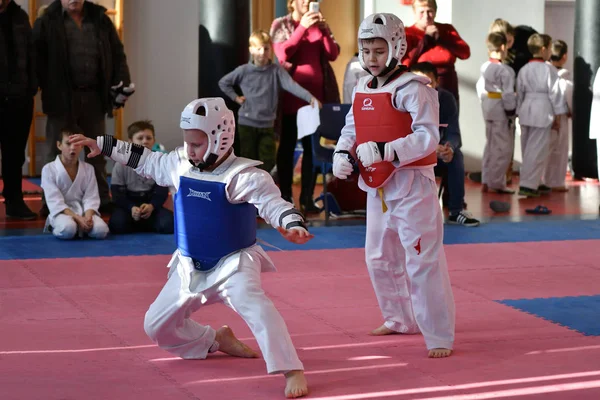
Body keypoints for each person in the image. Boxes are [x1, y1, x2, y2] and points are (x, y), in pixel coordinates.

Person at [69, 97, 312, 398]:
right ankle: (213, 340)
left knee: (258, 309)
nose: (190, 150)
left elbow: (273, 204)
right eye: (187, 142)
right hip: (188, 266)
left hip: (233, 264)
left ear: (220, 139)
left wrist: (291, 223)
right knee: (155, 325)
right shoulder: (179, 164)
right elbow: (144, 159)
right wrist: (104, 145)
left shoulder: (244, 176)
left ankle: (291, 368)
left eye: (197, 144)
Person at [333, 13, 455, 358]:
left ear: (396, 47)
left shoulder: (413, 88)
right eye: (366, 51)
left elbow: (428, 137)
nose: (371, 58)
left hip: (412, 184)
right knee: (378, 256)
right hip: (377, 186)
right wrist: (342, 153)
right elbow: (351, 128)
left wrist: (389, 150)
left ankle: (439, 333)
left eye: (378, 50)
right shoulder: (361, 86)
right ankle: (400, 318)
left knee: (422, 260)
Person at [33, 0, 134, 212]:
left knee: (96, 149)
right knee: (55, 150)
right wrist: (41, 87)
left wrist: (122, 82)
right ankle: (49, 203)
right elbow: (35, 58)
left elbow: (117, 54)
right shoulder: (47, 21)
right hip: (60, 97)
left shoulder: (101, 19)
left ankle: (102, 200)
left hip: (94, 96)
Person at [270, 0, 340, 213]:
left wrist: (324, 29)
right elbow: (283, 53)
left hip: (315, 101)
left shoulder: (320, 24)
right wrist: (302, 28)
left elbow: (333, 53)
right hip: (291, 99)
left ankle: (307, 199)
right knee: (287, 147)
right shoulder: (280, 24)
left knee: (312, 150)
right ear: (292, 3)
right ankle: (285, 197)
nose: (308, 2)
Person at [218, 30, 319, 174]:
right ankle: (248, 193)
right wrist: (236, 97)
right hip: (247, 124)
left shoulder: (275, 71)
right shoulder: (243, 71)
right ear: (251, 50)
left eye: (266, 49)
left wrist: (310, 98)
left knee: (268, 161)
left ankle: (262, 189)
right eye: (258, 48)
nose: (262, 52)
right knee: (247, 162)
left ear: (270, 49)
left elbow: (292, 85)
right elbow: (223, 83)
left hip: (267, 125)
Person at [410, 62, 480, 226]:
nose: (422, 87)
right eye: (416, 82)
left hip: (437, 156)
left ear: (436, 83)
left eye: (427, 83)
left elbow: (454, 133)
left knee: (455, 156)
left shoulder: (446, 99)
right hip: (410, 155)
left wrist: (449, 148)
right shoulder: (401, 100)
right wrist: (428, 148)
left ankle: (456, 211)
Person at [516, 33, 567, 197]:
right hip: (542, 111)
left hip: (526, 109)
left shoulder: (524, 69)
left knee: (527, 148)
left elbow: (520, 92)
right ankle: (528, 185)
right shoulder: (548, 69)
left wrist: (519, 111)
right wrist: (558, 115)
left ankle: (535, 181)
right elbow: (555, 93)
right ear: (543, 49)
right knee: (537, 150)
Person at [0, 0, 38, 220]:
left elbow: (31, 54)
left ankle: (14, 202)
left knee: (15, 156)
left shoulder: (20, 17)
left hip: (19, 99)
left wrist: (31, 87)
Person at [41, 125, 109, 240]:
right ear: (59, 145)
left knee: (101, 230)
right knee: (68, 229)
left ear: (82, 146)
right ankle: (57, 226)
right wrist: (77, 218)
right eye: (68, 143)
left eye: (77, 144)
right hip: (61, 213)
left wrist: (88, 217)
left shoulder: (88, 169)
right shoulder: (48, 169)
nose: (73, 148)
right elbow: (55, 201)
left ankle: (81, 227)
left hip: (83, 211)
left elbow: (91, 197)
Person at [109, 120, 174, 234]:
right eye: (140, 138)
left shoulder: (160, 162)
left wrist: (152, 206)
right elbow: (117, 194)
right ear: (130, 141)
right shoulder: (120, 164)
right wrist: (131, 207)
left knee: (169, 224)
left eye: (148, 138)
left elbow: (162, 190)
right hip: (129, 206)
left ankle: (143, 223)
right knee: (116, 224)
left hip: (150, 205)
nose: (145, 141)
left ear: (154, 140)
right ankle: (141, 224)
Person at [402, 0, 470, 103]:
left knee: (449, 118)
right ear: (414, 13)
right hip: (422, 90)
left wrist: (441, 40)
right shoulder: (408, 33)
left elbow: (465, 53)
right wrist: (425, 40)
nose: (426, 16)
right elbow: (405, 64)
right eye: (421, 12)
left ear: (435, 12)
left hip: (448, 88)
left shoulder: (446, 29)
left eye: (430, 11)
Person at [476, 32, 517, 194]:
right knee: (502, 147)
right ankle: (497, 183)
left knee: (491, 144)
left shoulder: (485, 66)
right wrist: (511, 111)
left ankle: (487, 179)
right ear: (502, 47)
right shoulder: (505, 70)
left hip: (488, 105)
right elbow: (507, 94)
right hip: (500, 108)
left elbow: (480, 88)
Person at [543, 40, 572, 192]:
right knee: (559, 150)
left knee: (545, 150)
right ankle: (556, 182)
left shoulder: (543, 72)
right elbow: (569, 101)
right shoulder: (564, 79)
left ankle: (543, 181)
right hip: (559, 116)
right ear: (565, 56)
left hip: (543, 116)